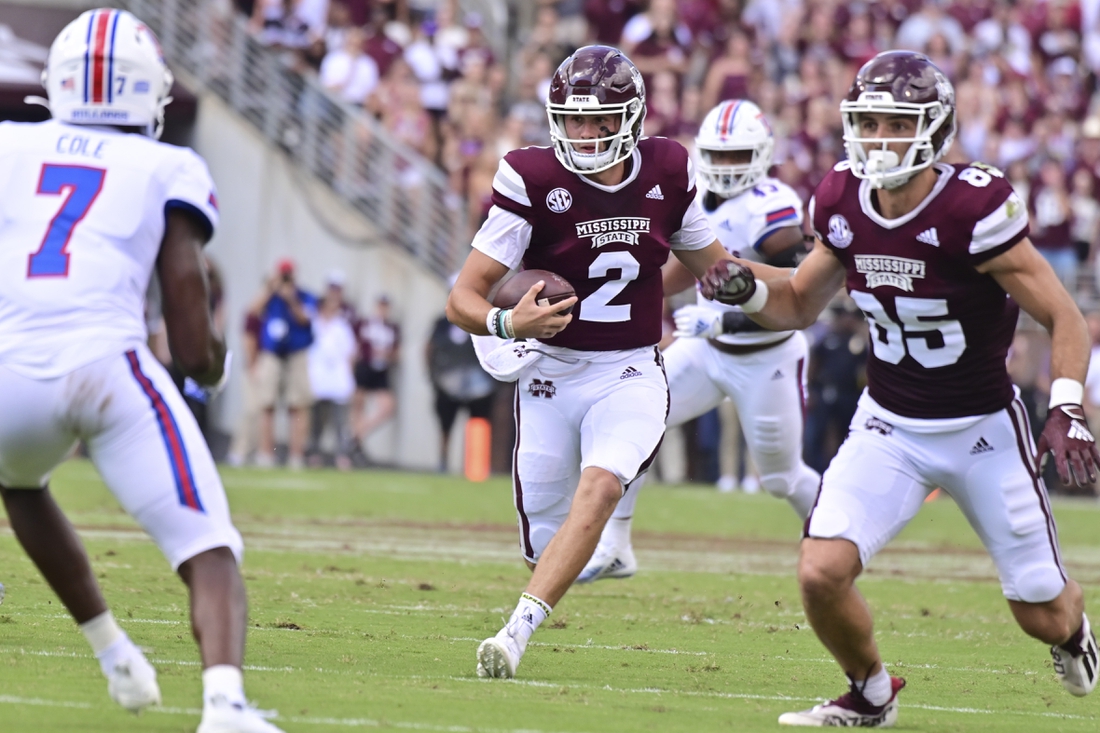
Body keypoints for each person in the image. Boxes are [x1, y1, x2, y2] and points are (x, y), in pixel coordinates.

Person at [712, 51, 1099, 726]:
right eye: (868, 123)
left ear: (933, 130)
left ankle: (1074, 631)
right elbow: (799, 304)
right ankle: (870, 694)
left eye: (895, 124)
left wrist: (1067, 402)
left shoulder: (974, 206)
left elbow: (1063, 314)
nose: (878, 139)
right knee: (819, 571)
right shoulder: (840, 199)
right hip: (888, 422)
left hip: (981, 427)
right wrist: (748, 289)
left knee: (1040, 607)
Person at [0, 9, 284, 733]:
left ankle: (113, 652)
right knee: (208, 544)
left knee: (18, 480)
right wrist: (209, 371)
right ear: (146, 92)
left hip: (6, 371)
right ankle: (224, 706)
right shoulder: (169, 163)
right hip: (106, 364)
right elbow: (188, 315)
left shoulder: (8, 144)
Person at [446, 45, 741, 679]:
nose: (585, 132)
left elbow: (711, 266)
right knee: (545, 545)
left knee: (604, 484)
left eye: (600, 118)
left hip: (631, 368)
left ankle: (516, 633)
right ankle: (579, 560)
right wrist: (507, 321)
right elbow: (462, 296)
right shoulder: (530, 177)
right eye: (573, 119)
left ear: (629, 117)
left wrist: (783, 279)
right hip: (550, 370)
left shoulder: (666, 168)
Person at [578, 99, 822, 583]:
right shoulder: (692, 195)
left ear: (762, 154)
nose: (727, 166)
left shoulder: (772, 208)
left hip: (765, 356)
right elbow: (670, 275)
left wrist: (724, 324)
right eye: (719, 154)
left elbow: (800, 297)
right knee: (634, 422)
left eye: (738, 156)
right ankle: (616, 546)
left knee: (781, 478)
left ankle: (839, 538)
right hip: (705, 348)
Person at [251, 258, 316, 469]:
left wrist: (291, 300)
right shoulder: (271, 296)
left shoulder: (303, 296)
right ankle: (266, 454)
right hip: (272, 354)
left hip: (296, 355)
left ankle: (296, 456)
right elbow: (253, 311)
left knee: (297, 406)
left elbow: (306, 319)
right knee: (266, 405)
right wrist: (270, 288)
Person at [426, 310, 496, 473]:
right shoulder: (442, 323)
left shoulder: (484, 319)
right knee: (445, 425)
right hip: (448, 381)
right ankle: (443, 461)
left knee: (480, 423)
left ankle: (479, 463)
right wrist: (433, 375)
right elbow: (430, 347)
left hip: (480, 384)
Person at [306, 270, 358, 470]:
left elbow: (351, 352)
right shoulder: (314, 322)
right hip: (317, 377)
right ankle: (314, 452)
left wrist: (349, 375)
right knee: (317, 419)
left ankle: (342, 455)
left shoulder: (343, 324)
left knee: (339, 421)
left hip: (337, 379)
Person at [351, 295, 400, 464]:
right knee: (359, 406)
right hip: (365, 368)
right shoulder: (365, 324)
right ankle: (356, 444)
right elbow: (354, 346)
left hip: (381, 371)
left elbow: (396, 352)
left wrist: (388, 355)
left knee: (387, 407)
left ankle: (355, 436)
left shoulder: (392, 328)